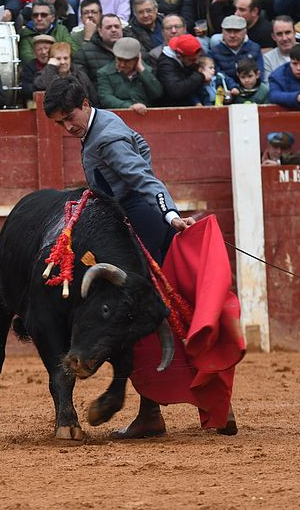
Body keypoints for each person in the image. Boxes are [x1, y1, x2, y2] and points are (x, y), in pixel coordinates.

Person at [42, 75, 196, 440]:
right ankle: (167, 408)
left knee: (146, 315)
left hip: (142, 224)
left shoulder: (106, 137)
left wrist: (168, 214)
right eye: (60, 123)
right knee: (161, 313)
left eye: (69, 118)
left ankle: (154, 413)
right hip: (133, 217)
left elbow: (144, 177)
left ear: (84, 102)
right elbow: (141, 148)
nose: (67, 127)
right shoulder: (105, 122)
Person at [97, 37, 164, 113]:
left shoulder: (147, 71)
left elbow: (157, 94)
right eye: (119, 59)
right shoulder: (104, 73)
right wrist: (129, 106)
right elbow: (106, 98)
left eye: (127, 61)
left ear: (137, 59)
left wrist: (142, 71)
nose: (122, 64)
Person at [209, 14, 263, 91]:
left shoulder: (255, 48)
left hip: (252, 91)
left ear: (245, 32)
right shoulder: (214, 52)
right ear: (222, 32)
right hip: (225, 92)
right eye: (228, 31)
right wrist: (233, 87)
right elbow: (217, 75)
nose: (232, 35)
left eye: (237, 31)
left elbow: (260, 74)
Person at [156, 33, 207, 106]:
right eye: (192, 60)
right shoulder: (166, 66)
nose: (196, 62)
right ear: (179, 57)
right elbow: (175, 91)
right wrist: (201, 76)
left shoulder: (190, 53)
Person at [74, 13, 127, 82]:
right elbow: (82, 84)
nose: (113, 30)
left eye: (117, 26)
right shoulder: (84, 53)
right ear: (100, 31)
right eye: (108, 27)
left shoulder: (134, 47)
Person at [20, 34, 55, 102]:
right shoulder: (29, 67)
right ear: (34, 53)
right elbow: (26, 90)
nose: (43, 52)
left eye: (46, 48)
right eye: (39, 49)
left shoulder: (59, 64)